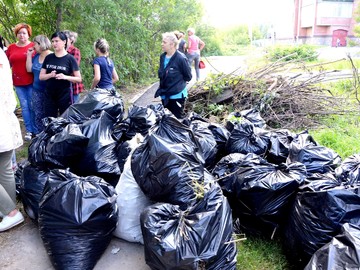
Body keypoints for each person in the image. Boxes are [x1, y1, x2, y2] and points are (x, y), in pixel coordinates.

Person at [0, 49, 25, 232]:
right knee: (5, 169)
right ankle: (8, 209)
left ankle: (10, 212)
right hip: (5, 118)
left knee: (5, 168)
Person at [39, 31, 82, 117]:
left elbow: (78, 79)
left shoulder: (70, 59)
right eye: (53, 41)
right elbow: (41, 77)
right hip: (50, 94)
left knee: (65, 118)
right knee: (50, 118)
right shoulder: (49, 57)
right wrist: (50, 75)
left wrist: (65, 77)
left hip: (65, 94)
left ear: (64, 42)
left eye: (57, 41)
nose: (54, 44)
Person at [6, 23, 36, 141]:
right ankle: (29, 130)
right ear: (16, 34)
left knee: (32, 106)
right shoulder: (11, 47)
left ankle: (36, 129)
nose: (22, 35)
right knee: (24, 107)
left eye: (24, 33)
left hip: (32, 81)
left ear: (28, 34)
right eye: (19, 33)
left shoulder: (34, 46)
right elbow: (6, 63)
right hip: (18, 82)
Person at [154, 32, 192, 119]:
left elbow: (188, 76)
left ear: (172, 44)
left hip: (177, 95)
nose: (162, 44)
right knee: (167, 121)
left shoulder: (181, 58)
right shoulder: (162, 57)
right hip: (165, 94)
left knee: (177, 121)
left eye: (164, 42)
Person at [26, 35, 52, 134]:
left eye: (35, 44)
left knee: (48, 114)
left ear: (41, 44)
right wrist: (29, 55)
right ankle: (39, 136)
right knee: (37, 113)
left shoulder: (51, 56)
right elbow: (29, 69)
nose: (33, 46)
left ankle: (48, 135)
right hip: (36, 90)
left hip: (48, 91)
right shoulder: (36, 56)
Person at [63, 30, 85, 103]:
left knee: (73, 107)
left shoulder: (75, 51)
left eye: (65, 38)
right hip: (62, 86)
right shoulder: (60, 51)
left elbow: (73, 68)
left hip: (73, 85)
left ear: (71, 40)